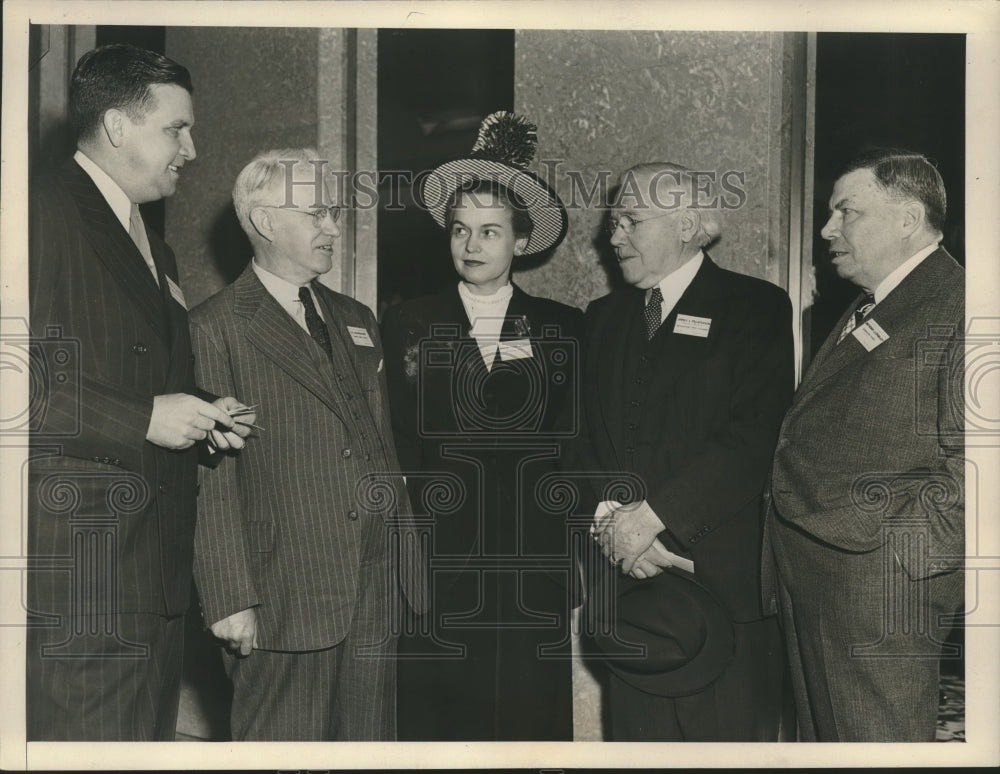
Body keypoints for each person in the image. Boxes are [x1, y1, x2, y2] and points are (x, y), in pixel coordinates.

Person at [27, 43, 252, 741]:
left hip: (150, 578)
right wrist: (143, 418)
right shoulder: (36, 211)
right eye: (176, 129)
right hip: (84, 579)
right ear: (118, 126)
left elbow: (140, 373)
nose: (192, 149)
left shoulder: (156, 246)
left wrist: (203, 410)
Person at [189, 148, 426, 741]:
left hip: (375, 586)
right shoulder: (214, 327)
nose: (334, 228)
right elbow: (209, 477)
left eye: (334, 213)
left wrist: (403, 559)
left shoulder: (356, 317)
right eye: (318, 213)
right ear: (265, 221)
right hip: (282, 595)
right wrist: (228, 597)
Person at [381, 111, 582, 740]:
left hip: (532, 557)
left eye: (490, 232)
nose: (471, 245)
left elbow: (574, 445)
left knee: (527, 717)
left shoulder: (563, 326)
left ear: (520, 242)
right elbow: (398, 439)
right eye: (460, 230)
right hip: (439, 556)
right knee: (440, 720)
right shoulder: (409, 321)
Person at [579, 162, 794, 741]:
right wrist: (614, 525)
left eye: (631, 220)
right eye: (613, 222)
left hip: (722, 591)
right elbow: (579, 438)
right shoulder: (602, 319)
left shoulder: (755, 307)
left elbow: (755, 438)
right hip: (627, 586)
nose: (614, 236)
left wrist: (653, 520)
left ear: (687, 225)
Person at [764, 148, 964, 741]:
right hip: (822, 579)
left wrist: (893, 565)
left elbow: (978, 472)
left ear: (908, 218)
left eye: (846, 211)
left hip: (877, 592)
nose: (828, 229)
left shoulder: (964, 303)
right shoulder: (875, 303)